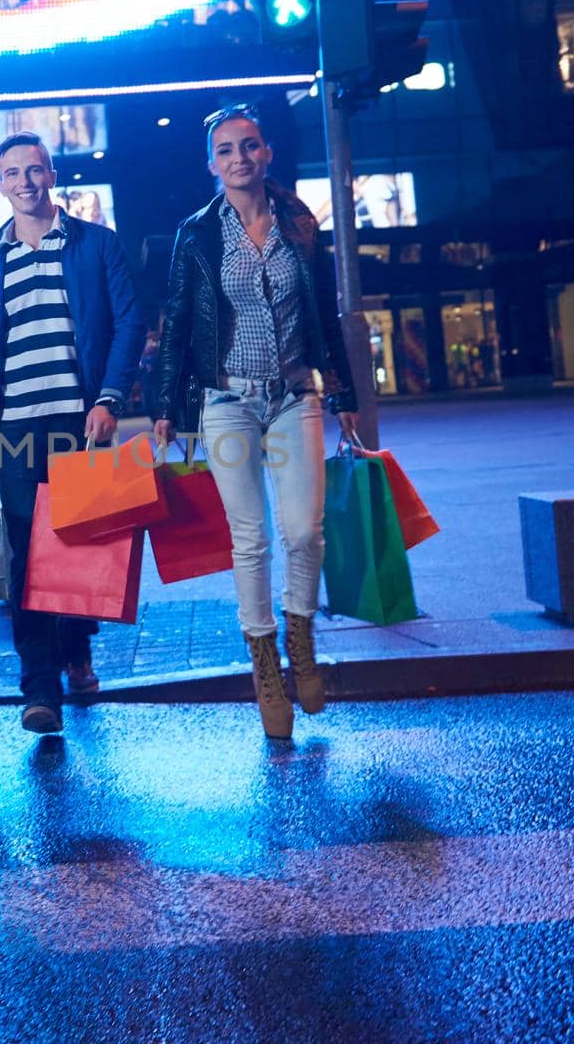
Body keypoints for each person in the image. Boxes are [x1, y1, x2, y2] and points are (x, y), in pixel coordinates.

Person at [152, 104, 360, 741]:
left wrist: (347, 393)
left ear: (266, 152)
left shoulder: (299, 219)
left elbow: (326, 312)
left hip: (297, 396)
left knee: (303, 530)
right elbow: (178, 321)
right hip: (227, 402)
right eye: (226, 151)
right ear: (211, 164)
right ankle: (265, 666)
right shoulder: (197, 233)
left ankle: (301, 635)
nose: (238, 159)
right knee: (251, 538)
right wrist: (164, 406)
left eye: (249, 146)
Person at [0, 131, 143, 734]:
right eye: (12, 173)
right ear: (0, 184)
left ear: (52, 175)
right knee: (25, 554)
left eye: (34, 170)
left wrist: (110, 396)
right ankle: (40, 686)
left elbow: (130, 322)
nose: (25, 182)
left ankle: (78, 649)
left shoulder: (95, 245)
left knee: (81, 543)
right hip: (15, 428)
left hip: (79, 419)